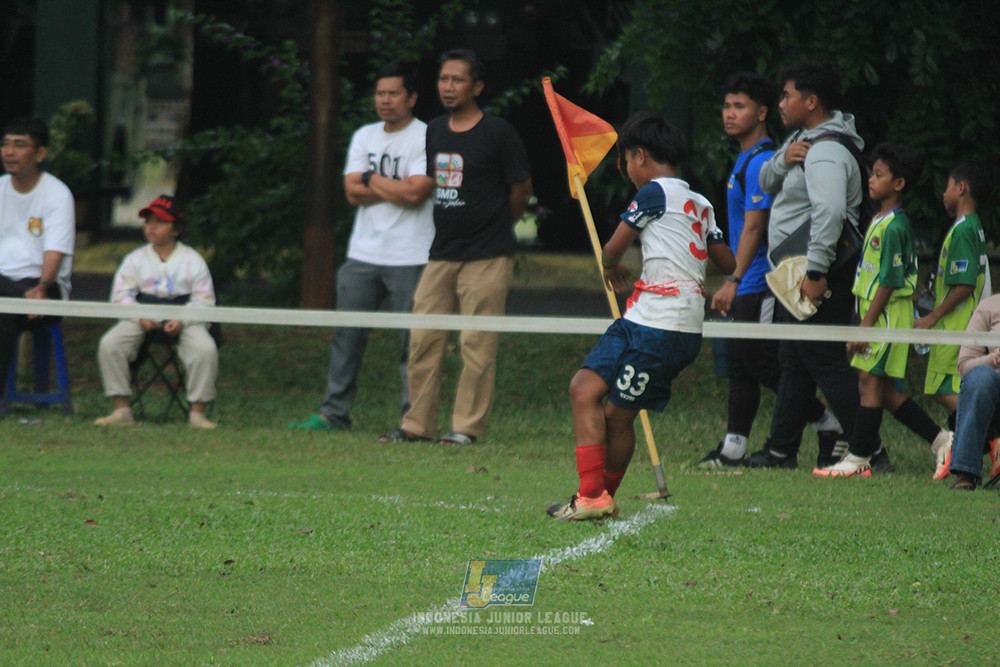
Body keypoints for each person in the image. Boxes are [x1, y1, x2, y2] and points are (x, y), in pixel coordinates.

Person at [547, 111, 736, 520]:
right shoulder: (700, 203)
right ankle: (593, 495)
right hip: (643, 316)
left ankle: (596, 496)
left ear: (639, 156)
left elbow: (612, 249)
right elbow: (726, 261)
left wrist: (611, 265)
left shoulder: (652, 193)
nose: (627, 171)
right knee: (584, 387)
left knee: (617, 413)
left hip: (665, 326)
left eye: (626, 162)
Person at [379, 49, 532, 445]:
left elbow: (520, 191)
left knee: (477, 345)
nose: (448, 87)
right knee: (424, 340)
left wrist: (497, 224)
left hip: (488, 254)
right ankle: (416, 425)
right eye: (443, 79)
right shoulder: (435, 130)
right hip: (442, 253)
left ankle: (465, 428)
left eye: (457, 80)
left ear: (477, 87)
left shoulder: (498, 132)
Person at [700, 72, 843, 469]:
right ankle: (734, 447)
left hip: (761, 279)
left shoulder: (763, 157)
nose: (729, 114)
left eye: (739, 106)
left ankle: (827, 422)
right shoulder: (749, 159)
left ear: (762, 112)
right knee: (743, 365)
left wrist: (732, 279)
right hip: (745, 280)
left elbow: (755, 226)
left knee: (758, 359)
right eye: (726, 106)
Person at [288, 62, 434, 431]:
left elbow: (416, 194)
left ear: (412, 98)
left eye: (394, 93)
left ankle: (412, 418)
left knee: (412, 343)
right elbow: (352, 192)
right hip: (362, 254)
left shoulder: (427, 136)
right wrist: (391, 186)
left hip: (411, 254)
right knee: (347, 335)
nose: (385, 101)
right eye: (380, 93)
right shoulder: (364, 136)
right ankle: (333, 413)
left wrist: (371, 177)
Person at [747, 61, 871, 470]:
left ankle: (868, 449)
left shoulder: (826, 151)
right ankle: (781, 450)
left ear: (811, 101)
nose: (780, 103)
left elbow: (831, 214)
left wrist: (816, 274)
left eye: (786, 95)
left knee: (824, 359)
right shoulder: (802, 141)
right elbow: (764, 180)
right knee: (795, 360)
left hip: (818, 271)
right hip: (796, 270)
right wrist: (783, 159)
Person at [814, 143, 951, 477]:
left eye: (879, 175)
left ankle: (860, 457)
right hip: (874, 313)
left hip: (887, 314)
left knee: (871, 382)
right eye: (871, 174)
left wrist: (866, 326)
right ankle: (941, 440)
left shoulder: (895, 227)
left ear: (899, 183)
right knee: (875, 385)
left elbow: (889, 281)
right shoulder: (879, 219)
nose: (871, 181)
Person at [94, 195, 219, 429]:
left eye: (160, 222)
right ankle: (121, 409)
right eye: (149, 221)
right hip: (142, 315)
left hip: (184, 317)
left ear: (177, 229)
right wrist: (140, 315)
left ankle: (198, 414)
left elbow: (204, 299)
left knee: (205, 349)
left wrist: (181, 319)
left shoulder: (193, 260)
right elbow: (120, 295)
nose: (152, 227)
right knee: (110, 344)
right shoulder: (135, 259)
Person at [915, 160, 991, 478]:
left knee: (944, 389)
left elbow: (964, 283)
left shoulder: (963, 231)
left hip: (957, 328)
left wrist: (933, 316)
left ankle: (984, 439)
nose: (943, 192)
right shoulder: (971, 227)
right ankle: (967, 449)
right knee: (955, 391)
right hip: (963, 328)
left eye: (948, 185)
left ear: (961, 188)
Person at [0, 117, 75, 402]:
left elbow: (54, 251)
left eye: (20, 145)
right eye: (5, 144)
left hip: (45, 287)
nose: (9, 152)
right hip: (6, 284)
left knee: (3, 313)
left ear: (40, 153)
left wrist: (41, 287)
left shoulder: (57, 194)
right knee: (6, 303)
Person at [944, 294, 1000, 490]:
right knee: (980, 377)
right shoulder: (989, 307)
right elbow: (965, 368)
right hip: (995, 396)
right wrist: (993, 359)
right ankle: (966, 473)